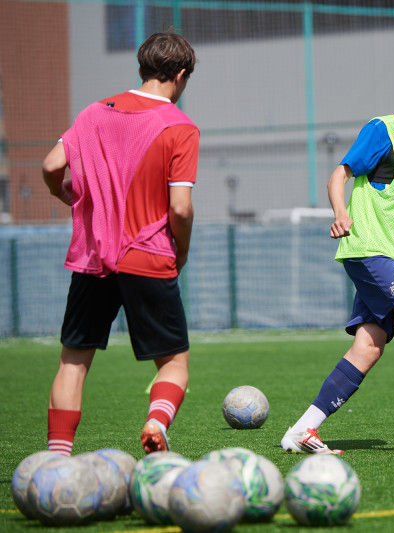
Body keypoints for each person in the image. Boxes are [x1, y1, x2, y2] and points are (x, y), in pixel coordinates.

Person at [280, 57, 394, 454]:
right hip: (367, 247)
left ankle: (302, 430)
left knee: (370, 345)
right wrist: (341, 214)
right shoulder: (383, 130)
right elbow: (340, 175)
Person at [41, 31, 199, 456]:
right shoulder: (180, 127)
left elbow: (52, 165)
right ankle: (155, 421)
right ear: (180, 75)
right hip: (148, 255)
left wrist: (69, 196)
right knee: (173, 363)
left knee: (73, 362)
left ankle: (56, 460)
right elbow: (180, 209)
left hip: (93, 256)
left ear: (141, 67)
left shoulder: (94, 112)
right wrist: (179, 252)